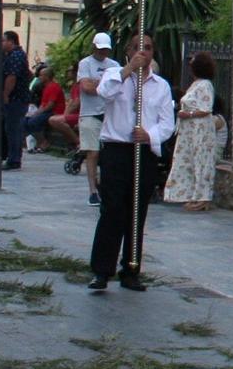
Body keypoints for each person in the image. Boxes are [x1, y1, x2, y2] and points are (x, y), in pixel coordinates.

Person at [87, 35, 174, 292]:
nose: (142, 52)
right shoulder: (116, 76)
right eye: (137, 47)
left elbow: (167, 122)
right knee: (112, 210)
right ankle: (102, 271)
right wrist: (127, 70)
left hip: (143, 151)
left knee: (137, 213)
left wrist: (150, 136)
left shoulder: (161, 86)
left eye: (147, 48)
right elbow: (104, 93)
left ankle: (131, 270)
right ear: (128, 51)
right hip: (116, 151)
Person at [162, 52, 219, 212]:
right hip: (189, 132)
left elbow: (206, 109)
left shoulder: (206, 85)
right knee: (190, 160)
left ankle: (203, 197)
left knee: (202, 160)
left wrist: (188, 114)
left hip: (200, 130)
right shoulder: (195, 84)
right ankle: (191, 193)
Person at [73, 33, 119, 206]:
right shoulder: (85, 63)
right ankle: (92, 190)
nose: (103, 52)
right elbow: (86, 87)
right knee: (93, 152)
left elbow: (116, 87)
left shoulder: (113, 65)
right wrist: (104, 84)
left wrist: (97, 83)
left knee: (108, 153)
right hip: (90, 112)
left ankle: (104, 186)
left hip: (108, 112)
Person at [0, 31, 29, 169]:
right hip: (15, 98)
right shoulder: (10, 56)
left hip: (16, 99)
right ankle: (11, 156)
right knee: (10, 128)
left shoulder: (16, 56)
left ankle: (14, 159)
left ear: (11, 41)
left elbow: (12, 77)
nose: (2, 44)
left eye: (3, 41)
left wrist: (5, 94)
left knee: (13, 129)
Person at [23, 64, 66, 152]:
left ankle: (43, 142)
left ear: (47, 77)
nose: (39, 77)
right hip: (47, 111)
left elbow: (50, 105)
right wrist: (35, 113)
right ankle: (41, 142)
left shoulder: (53, 87)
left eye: (41, 75)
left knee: (32, 122)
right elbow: (43, 104)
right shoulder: (45, 87)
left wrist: (38, 113)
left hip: (54, 112)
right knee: (25, 121)